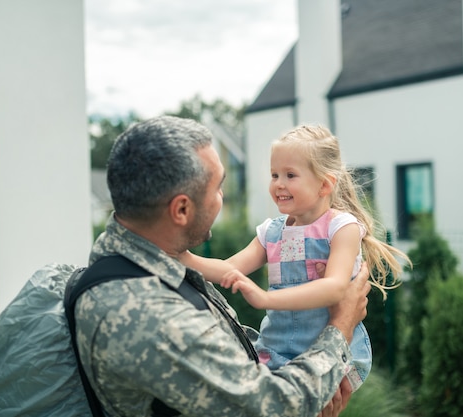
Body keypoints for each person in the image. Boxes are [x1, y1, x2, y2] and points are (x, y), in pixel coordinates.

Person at [73, 115, 371, 417]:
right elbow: (275, 407)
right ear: (181, 209)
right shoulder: (145, 311)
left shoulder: (149, 264)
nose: (222, 198)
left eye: (289, 175)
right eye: (217, 188)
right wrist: (340, 327)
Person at [181, 124, 410, 391]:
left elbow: (335, 287)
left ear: (324, 184)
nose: (279, 184)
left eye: (290, 175)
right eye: (274, 174)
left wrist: (266, 298)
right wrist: (179, 256)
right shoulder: (272, 232)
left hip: (334, 354)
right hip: (278, 353)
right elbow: (229, 268)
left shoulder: (341, 228)